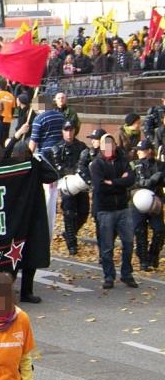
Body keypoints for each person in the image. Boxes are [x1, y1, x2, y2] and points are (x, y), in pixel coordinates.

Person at [89, 134, 137, 289]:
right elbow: (100, 186)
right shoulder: (96, 164)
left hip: (123, 207)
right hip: (105, 210)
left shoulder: (123, 161)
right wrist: (119, 183)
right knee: (107, 245)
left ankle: (127, 274)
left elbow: (130, 179)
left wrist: (113, 183)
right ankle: (109, 275)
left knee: (128, 243)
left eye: (111, 144)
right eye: (105, 145)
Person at [28, 93, 65, 239]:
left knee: (47, 196)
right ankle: (50, 227)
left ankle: (45, 233)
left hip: (45, 160)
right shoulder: (61, 116)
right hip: (59, 159)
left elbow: (33, 144)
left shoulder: (39, 119)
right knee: (54, 194)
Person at [53, 121, 89, 255]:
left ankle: (69, 233)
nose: (69, 133)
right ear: (62, 131)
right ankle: (72, 244)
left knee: (84, 213)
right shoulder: (58, 148)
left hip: (80, 183)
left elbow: (86, 162)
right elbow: (57, 167)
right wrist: (72, 171)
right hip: (66, 184)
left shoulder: (81, 146)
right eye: (66, 130)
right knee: (69, 214)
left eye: (71, 130)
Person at [130, 139, 164, 271]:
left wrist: (160, 178)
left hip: (155, 202)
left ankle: (153, 255)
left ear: (149, 150)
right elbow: (128, 182)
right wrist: (144, 183)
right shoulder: (133, 165)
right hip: (138, 201)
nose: (138, 152)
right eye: (137, 150)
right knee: (140, 231)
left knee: (159, 230)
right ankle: (143, 259)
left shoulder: (160, 166)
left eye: (141, 150)